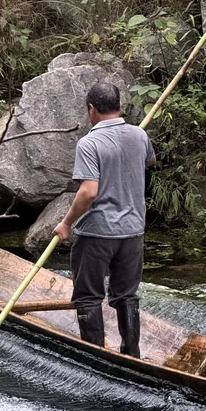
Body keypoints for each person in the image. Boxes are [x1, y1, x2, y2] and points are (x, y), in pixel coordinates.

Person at [53, 82, 156, 358]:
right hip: (133, 232)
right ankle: (131, 354)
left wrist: (65, 223)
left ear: (91, 109)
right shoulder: (139, 136)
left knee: (88, 296)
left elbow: (88, 192)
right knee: (126, 295)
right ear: (119, 106)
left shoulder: (89, 143)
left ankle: (95, 357)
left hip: (98, 233)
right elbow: (147, 162)